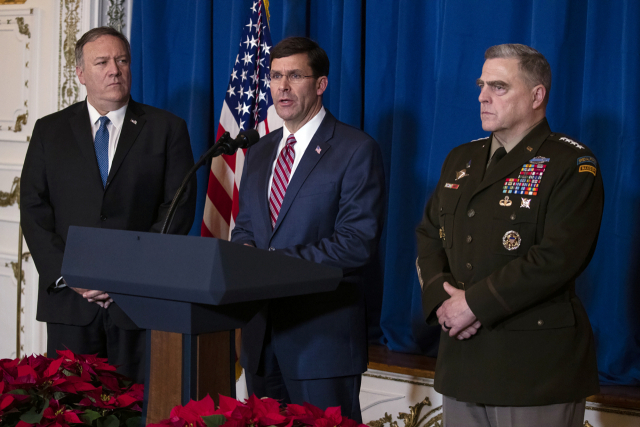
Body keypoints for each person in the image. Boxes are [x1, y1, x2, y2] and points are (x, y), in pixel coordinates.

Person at [416, 43, 603, 427]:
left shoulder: (571, 163)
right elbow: (430, 234)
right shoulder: (461, 158)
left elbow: (557, 258)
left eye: (498, 87)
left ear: (537, 96)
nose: (483, 97)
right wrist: (442, 301)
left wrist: (472, 305)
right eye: (481, 85)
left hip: (533, 367)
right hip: (462, 357)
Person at [20, 26, 196, 383]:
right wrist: (70, 274)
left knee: (137, 403)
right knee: (70, 403)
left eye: (122, 60)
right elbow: (34, 209)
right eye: (102, 62)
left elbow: (177, 209)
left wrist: (125, 277)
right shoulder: (49, 130)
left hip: (137, 303)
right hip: (70, 304)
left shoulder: (167, 128)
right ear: (80, 73)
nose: (115, 70)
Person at [231, 37, 385, 422]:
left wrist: (271, 264)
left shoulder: (355, 149)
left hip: (321, 341)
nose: (282, 87)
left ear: (320, 84)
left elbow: (356, 243)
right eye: (275, 76)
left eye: (295, 76)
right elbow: (245, 228)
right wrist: (245, 251)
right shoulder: (259, 151)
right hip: (261, 338)